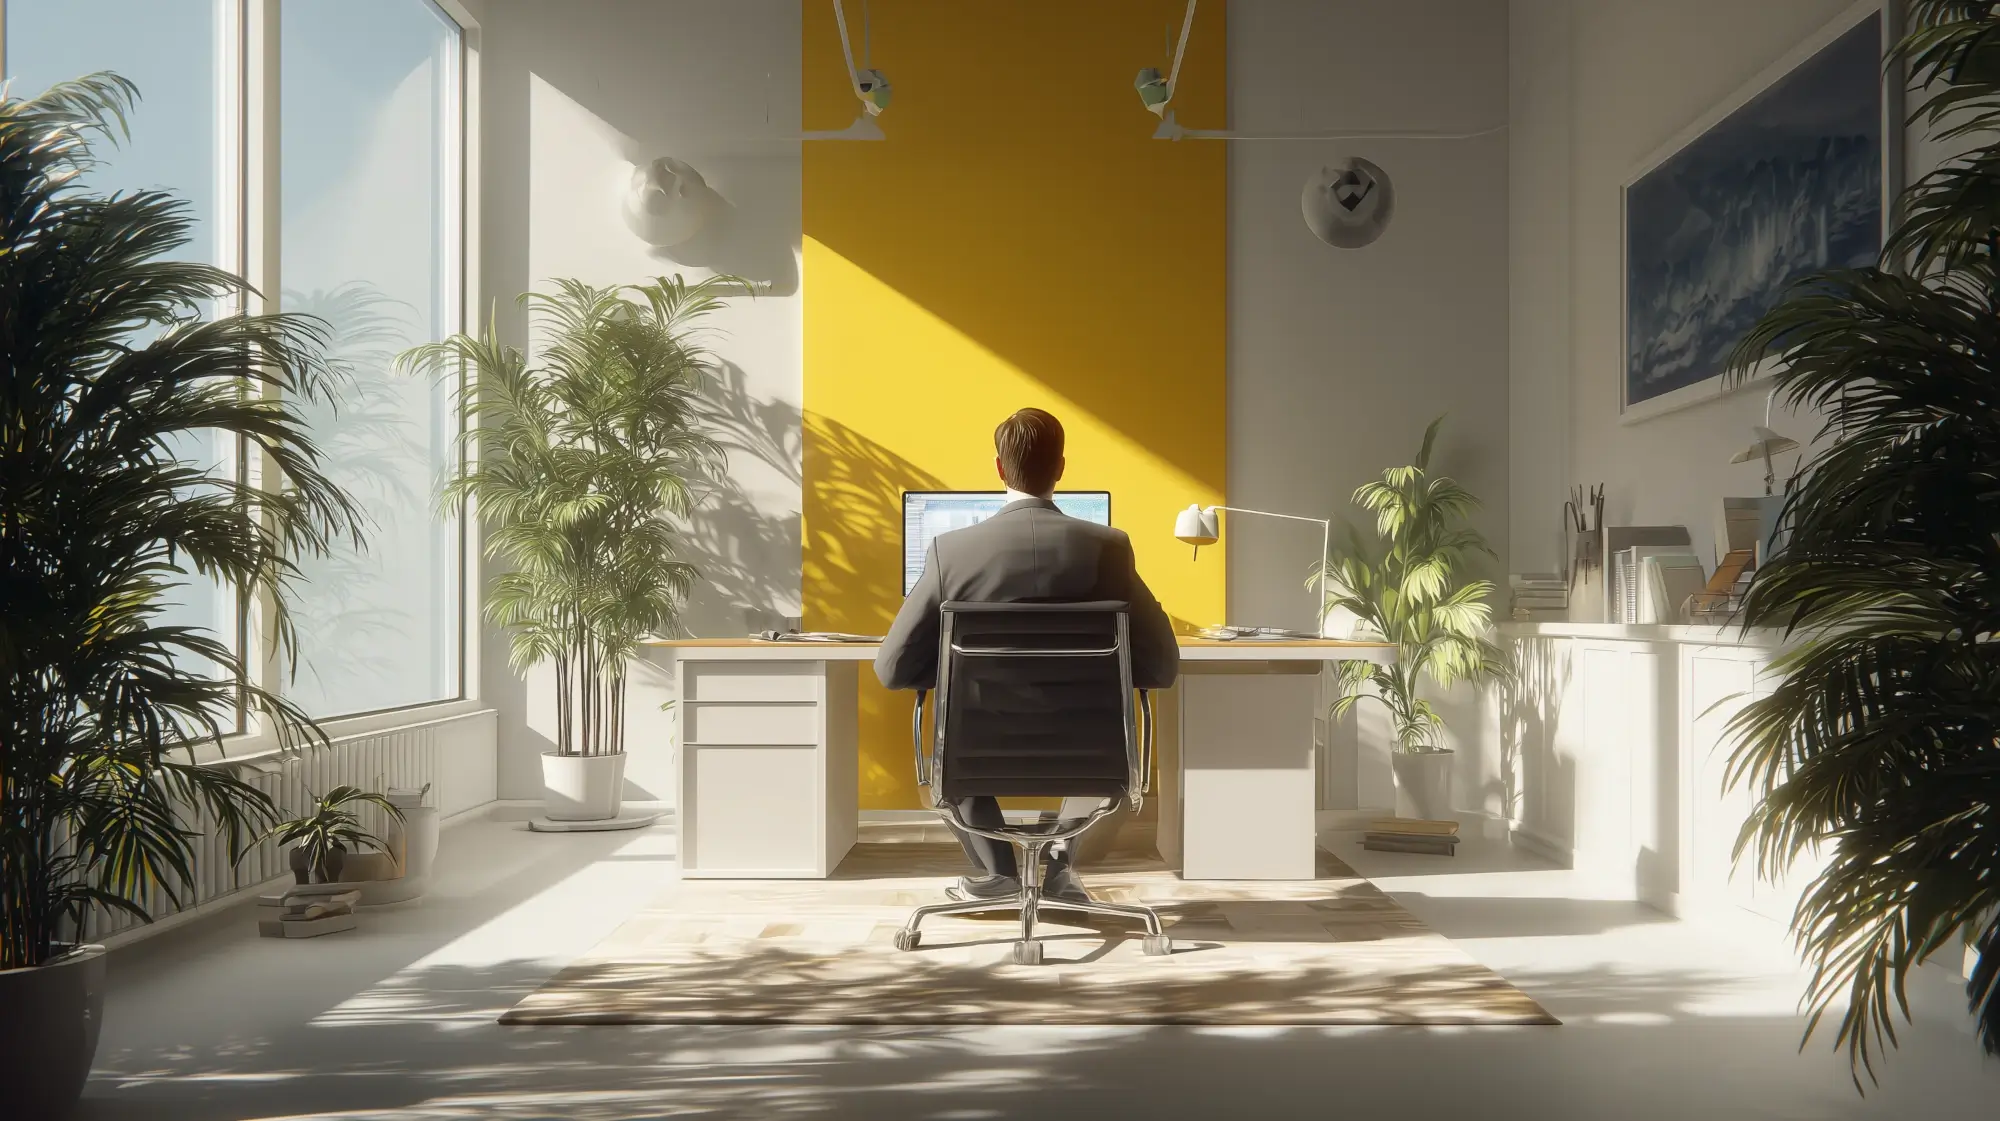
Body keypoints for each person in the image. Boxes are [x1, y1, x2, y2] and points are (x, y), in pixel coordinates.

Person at [874, 407, 1179, 904]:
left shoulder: (949, 551)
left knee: (954, 738)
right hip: (1090, 750)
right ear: (1060, 468)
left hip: (977, 753)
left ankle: (998, 874)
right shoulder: (1110, 548)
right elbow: (1162, 666)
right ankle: (1058, 865)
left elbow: (891, 670)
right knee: (1103, 744)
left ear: (998, 468)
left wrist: (952, 671)